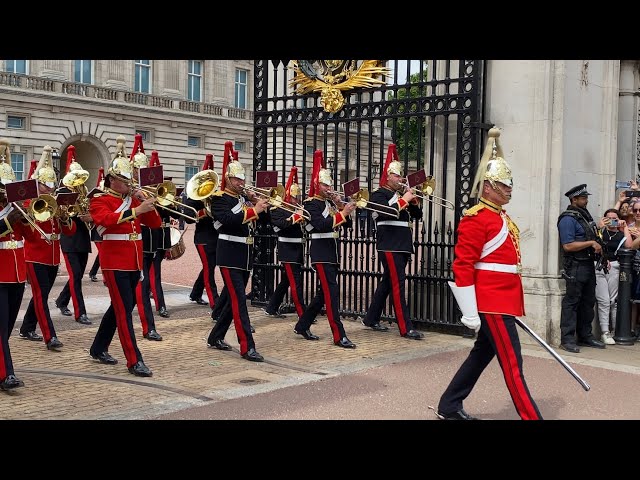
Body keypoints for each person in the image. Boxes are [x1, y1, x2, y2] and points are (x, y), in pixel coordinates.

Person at [436, 127, 542, 420]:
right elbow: (463, 265)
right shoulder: (477, 219)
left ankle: (449, 405)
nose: (509, 189)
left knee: (482, 354)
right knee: (512, 364)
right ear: (487, 186)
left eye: (509, 184)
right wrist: (470, 311)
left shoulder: (499, 217)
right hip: (492, 303)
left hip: (502, 301)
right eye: (504, 185)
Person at [88, 135, 161, 377]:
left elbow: (155, 223)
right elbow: (105, 221)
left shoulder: (131, 200)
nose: (130, 185)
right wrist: (135, 209)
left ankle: (98, 347)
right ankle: (134, 360)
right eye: (125, 181)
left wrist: (146, 202)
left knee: (122, 306)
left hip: (134, 262)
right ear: (112, 180)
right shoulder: (100, 199)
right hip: (115, 263)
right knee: (123, 312)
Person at [206, 141, 269, 361]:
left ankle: (216, 336)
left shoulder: (244, 198)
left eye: (243, 179)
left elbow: (264, 221)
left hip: (245, 255)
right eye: (237, 179)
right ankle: (247, 346)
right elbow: (227, 221)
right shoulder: (219, 199)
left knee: (235, 301)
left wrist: (259, 205)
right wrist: (253, 209)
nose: (241, 182)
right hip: (229, 254)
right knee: (240, 301)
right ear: (228, 180)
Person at [293, 150, 357, 347]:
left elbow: (347, 226)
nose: (328, 188)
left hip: (332, 251)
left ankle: (302, 325)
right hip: (321, 252)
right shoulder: (310, 204)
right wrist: (342, 212)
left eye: (329, 184)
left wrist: (340, 207)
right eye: (324, 184)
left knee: (323, 294)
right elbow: (321, 225)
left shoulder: (330, 203)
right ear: (316, 185)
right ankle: (339, 335)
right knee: (331, 293)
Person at [361, 144, 424, 339]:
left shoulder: (400, 195)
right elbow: (384, 212)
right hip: (389, 244)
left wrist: (413, 201)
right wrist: (404, 199)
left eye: (401, 176)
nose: (400, 179)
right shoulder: (379, 194)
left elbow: (417, 215)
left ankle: (371, 318)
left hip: (402, 244)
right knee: (398, 284)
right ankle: (405, 327)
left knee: (388, 282)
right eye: (397, 176)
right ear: (387, 176)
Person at [19, 147, 76, 351]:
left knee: (39, 295)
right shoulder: (29, 203)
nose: (49, 189)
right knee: (42, 297)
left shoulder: (55, 202)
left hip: (52, 258)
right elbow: (29, 233)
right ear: (37, 184)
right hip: (34, 256)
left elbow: (69, 231)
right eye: (46, 185)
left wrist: (64, 216)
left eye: (51, 185)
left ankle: (26, 328)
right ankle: (49, 336)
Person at [557, 184, 606, 353]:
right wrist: (590, 243)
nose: (586, 201)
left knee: (588, 302)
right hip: (575, 266)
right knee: (572, 302)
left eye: (586, 198)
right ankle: (567, 339)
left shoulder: (583, 217)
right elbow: (568, 246)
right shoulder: (567, 219)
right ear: (574, 200)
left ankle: (585, 336)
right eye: (583, 198)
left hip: (587, 264)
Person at [127, 137, 163, 341]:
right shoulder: (126, 193)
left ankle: (147, 324)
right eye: (136, 171)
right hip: (131, 246)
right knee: (140, 287)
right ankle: (147, 326)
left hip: (150, 244)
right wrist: (137, 197)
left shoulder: (147, 191)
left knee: (144, 286)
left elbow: (156, 222)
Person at [54, 146, 93, 325]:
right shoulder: (62, 192)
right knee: (75, 274)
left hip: (83, 236)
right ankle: (80, 312)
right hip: (69, 238)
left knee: (77, 275)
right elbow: (61, 213)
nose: (78, 180)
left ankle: (62, 301)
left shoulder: (83, 190)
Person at [263, 166, 307, 320]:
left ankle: (272, 307)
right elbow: (281, 226)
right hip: (287, 250)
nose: (297, 200)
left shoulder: (298, 208)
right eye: (295, 197)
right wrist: (296, 217)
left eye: (298, 197)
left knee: (286, 281)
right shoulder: (277, 210)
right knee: (296, 283)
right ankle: (303, 314)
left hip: (297, 249)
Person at [0, 139, 27, 390]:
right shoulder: (7, 211)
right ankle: (6, 373)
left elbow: (32, 237)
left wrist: (28, 219)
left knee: (7, 326)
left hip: (17, 274)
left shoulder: (14, 207)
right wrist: (8, 219)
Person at [184, 153, 220, 311]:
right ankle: (215, 302)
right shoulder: (193, 198)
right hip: (203, 238)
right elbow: (188, 218)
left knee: (210, 266)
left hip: (216, 235)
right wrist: (204, 212)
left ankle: (195, 293)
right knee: (209, 268)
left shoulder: (216, 196)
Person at [594, 208, 633, 345]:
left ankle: (616, 331)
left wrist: (625, 227)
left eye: (614, 218)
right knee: (603, 300)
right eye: (608, 218)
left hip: (615, 267)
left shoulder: (620, 235)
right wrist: (600, 226)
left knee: (613, 301)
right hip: (599, 267)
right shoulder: (600, 232)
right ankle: (605, 332)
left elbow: (629, 246)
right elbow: (593, 244)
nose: (611, 221)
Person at [87, 167, 105, 283]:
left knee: (103, 253)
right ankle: (104, 277)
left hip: (105, 230)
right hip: (97, 231)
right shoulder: (94, 201)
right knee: (103, 253)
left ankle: (93, 272)